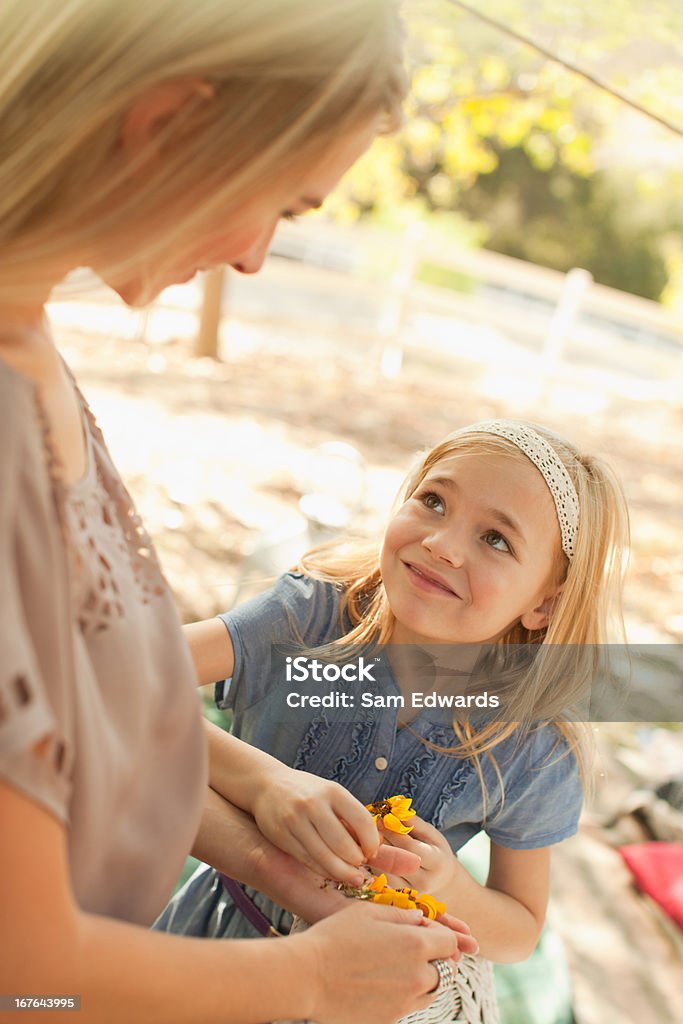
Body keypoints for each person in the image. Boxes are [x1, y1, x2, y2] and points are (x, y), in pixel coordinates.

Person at [0, 2, 478, 1022]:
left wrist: (257, 801)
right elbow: (26, 967)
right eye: (283, 206)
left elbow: (67, 693)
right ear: (170, 121)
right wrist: (310, 976)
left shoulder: (32, 342)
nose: (257, 258)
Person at [157, 420, 629, 1023]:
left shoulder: (535, 745)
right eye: (433, 501)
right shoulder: (308, 617)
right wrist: (263, 779)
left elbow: (520, 929)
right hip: (219, 947)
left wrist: (451, 889)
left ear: (544, 603)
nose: (442, 545)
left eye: (497, 540)